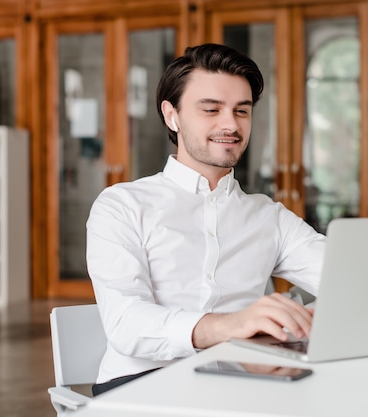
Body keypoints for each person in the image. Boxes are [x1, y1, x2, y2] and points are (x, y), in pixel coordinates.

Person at [86, 43, 326, 395]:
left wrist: (322, 316)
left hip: (243, 382)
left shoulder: (269, 217)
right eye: (211, 109)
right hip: (141, 385)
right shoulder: (121, 205)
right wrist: (232, 324)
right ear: (172, 116)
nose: (230, 124)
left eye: (242, 111)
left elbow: (346, 280)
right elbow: (126, 324)